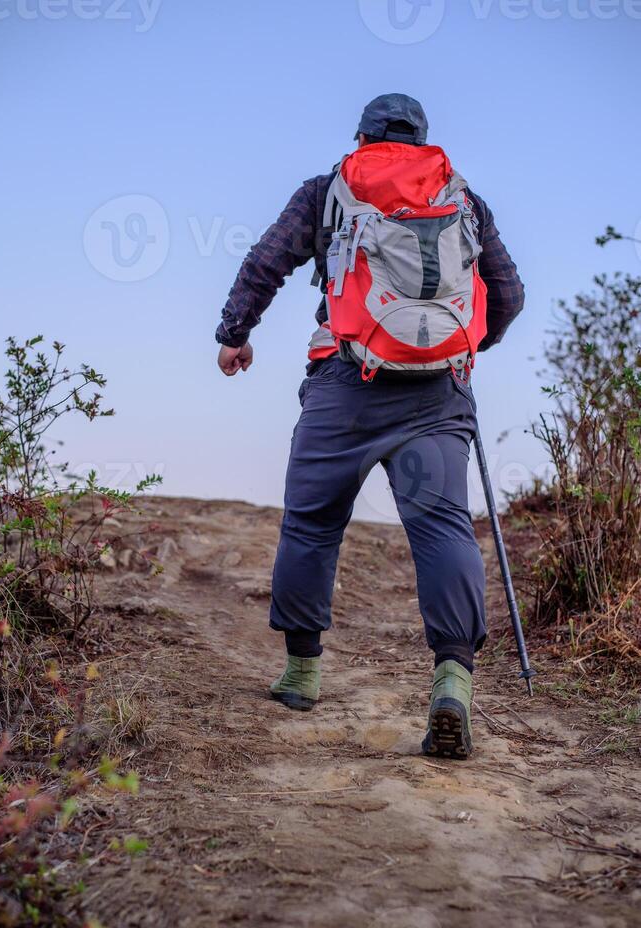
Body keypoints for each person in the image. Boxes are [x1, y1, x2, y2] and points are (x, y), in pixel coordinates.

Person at [216, 94, 524, 759]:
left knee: (312, 523)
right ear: (423, 139)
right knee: (441, 528)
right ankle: (452, 680)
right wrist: (466, 353)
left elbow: (265, 263)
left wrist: (234, 335)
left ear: (361, 136)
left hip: (343, 386)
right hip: (438, 394)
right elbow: (509, 293)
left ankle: (301, 673)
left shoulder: (329, 189)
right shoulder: (464, 200)